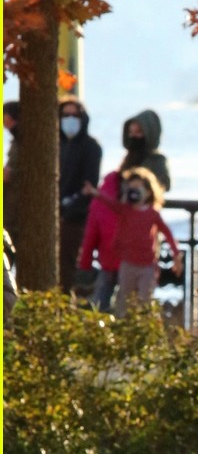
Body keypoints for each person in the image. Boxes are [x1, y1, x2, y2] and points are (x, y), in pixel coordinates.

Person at [83, 166, 183, 314]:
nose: (134, 192)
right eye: (131, 188)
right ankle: (123, 330)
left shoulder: (152, 214)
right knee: (124, 299)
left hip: (147, 266)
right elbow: (109, 202)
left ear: (148, 191)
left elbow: (168, 234)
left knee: (145, 300)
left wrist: (176, 255)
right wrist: (94, 193)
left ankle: (144, 330)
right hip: (127, 264)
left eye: (138, 188)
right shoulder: (125, 210)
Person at [59, 98, 102, 293]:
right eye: (65, 115)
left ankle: (67, 304)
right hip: (54, 214)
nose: (70, 119)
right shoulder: (56, 145)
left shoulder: (91, 147)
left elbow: (88, 186)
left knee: (69, 267)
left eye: (74, 115)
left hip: (76, 218)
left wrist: (70, 207)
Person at [76, 171, 123, 312]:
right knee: (127, 303)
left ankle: (99, 327)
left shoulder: (98, 203)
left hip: (107, 261)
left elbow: (90, 238)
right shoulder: (128, 204)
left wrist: (85, 264)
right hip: (128, 262)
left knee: (100, 301)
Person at [120, 109, 171, 191]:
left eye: (138, 132)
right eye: (131, 132)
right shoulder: (129, 158)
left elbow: (164, 186)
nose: (133, 137)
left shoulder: (156, 161)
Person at [3, 100, 21, 249]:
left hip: (16, 213)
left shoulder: (23, 138)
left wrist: (10, 175)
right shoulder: (16, 140)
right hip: (10, 211)